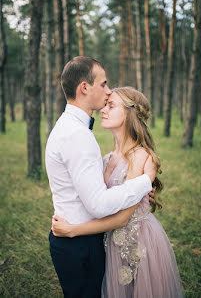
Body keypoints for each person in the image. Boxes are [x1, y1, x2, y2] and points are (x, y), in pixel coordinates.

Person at [52, 87, 184, 298]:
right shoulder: (107, 158)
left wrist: (72, 230)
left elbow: (122, 218)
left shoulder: (140, 156)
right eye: (105, 105)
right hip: (111, 245)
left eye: (111, 106)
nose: (103, 110)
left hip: (138, 244)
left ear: (130, 113)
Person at [45, 57, 156, 298]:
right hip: (79, 244)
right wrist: (143, 183)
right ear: (84, 88)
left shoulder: (74, 130)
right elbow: (98, 204)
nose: (107, 93)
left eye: (112, 102)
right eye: (104, 84)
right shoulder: (78, 135)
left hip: (103, 242)